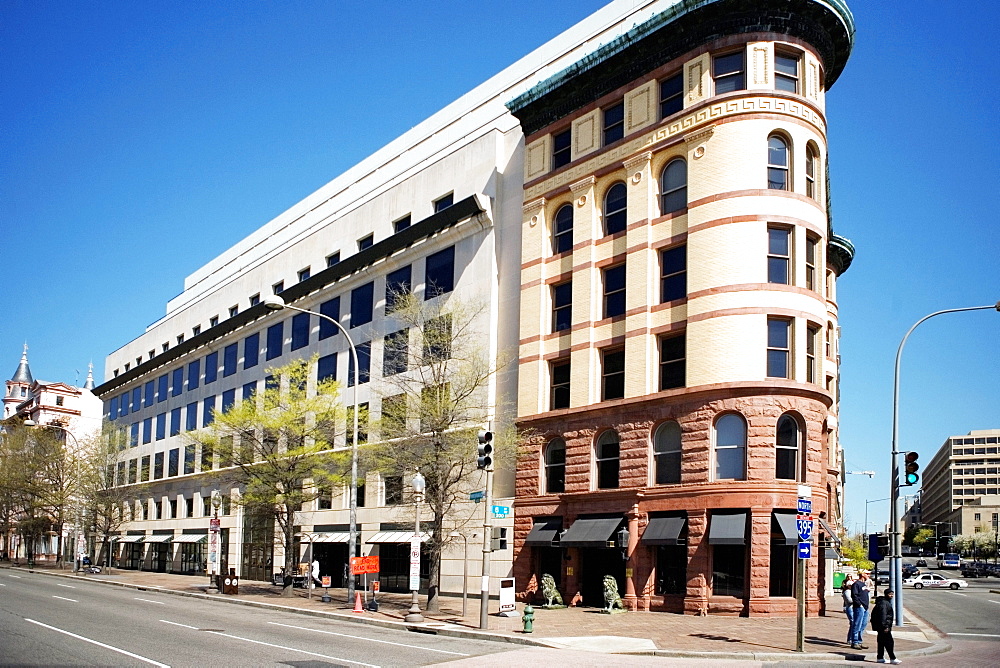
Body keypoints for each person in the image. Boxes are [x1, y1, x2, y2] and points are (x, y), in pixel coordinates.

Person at [871, 588, 900, 664]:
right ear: (886, 594)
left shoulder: (883, 602)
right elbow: (883, 615)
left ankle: (880, 657)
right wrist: (885, 626)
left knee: (881, 642)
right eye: (890, 594)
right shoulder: (884, 603)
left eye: (892, 594)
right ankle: (892, 658)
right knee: (889, 642)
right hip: (884, 626)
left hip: (881, 626)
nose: (891, 595)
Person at [849, 569, 872, 650]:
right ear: (862, 574)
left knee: (863, 624)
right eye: (867, 574)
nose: (869, 575)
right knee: (857, 624)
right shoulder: (856, 584)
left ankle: (859, 641)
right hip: (859, 607)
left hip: (865, 607)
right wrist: (860, 605)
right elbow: (854, 595)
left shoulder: (864, 584)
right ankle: (854, 641)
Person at [841, 575, 855, 645]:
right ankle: (850, 639)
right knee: (852, 622)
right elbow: (849, 601)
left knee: (854, 623)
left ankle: (852, 638)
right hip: (849, 608)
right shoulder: (847, 592)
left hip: (853, 608)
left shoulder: (852, 591)